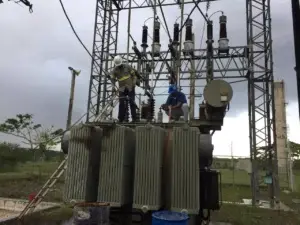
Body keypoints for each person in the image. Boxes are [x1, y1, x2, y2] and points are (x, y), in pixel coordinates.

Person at [111, 55, 140, 122]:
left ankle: (134, 119)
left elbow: (134, 75)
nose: (119, 66)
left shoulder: (127, 66)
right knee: (121, 103)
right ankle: (120, 119)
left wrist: (134, 83)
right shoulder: (115, 70)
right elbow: (112, 79)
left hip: (130, 86)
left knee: (132, 102)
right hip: (122, 88)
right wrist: (113, 86)